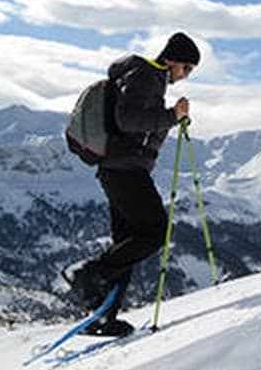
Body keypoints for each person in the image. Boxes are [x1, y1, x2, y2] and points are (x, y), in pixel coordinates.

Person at [64, 32, 200, 336]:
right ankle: (87, 273)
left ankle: (103, 316)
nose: (186, 75)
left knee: (127, 245)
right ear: (173, 60)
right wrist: (170, 115)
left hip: (118, 168)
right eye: (187, 68)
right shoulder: (147, 75)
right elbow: (128, 121)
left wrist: (171, 120)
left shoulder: (146, 78)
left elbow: (138, 126)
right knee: (154, 232)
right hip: (125, 170)